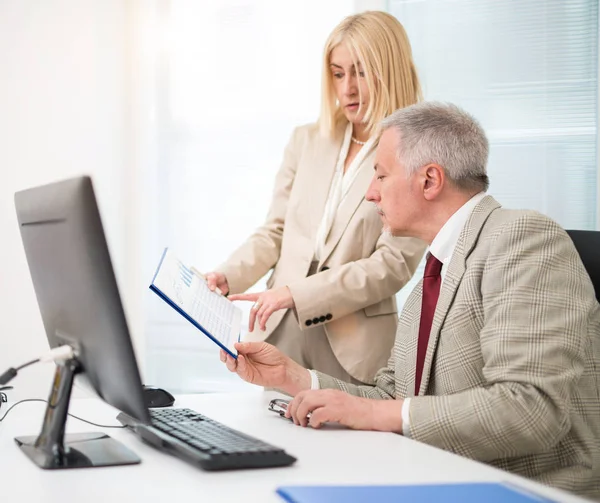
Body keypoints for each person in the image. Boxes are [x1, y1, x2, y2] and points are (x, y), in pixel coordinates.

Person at [221, 102, 600, 499]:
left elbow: (530, 410)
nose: (370, 194)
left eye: (381, 175)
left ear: (430, 180)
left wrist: (374, 413)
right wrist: (293, 378)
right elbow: (394, 398)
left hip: (526, 490)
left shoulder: (522, 239)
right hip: (439, 476)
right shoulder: (436, 268)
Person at [204, 11, 426, 385]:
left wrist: (298, 293)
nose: (347, 89)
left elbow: (392, 265)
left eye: (361, 71)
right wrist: (229, 275)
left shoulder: (416, 154)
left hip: (354, 349)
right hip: (278, 332)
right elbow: (276, 231)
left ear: (389, 70)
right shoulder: (306, 141)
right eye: (338, 74)